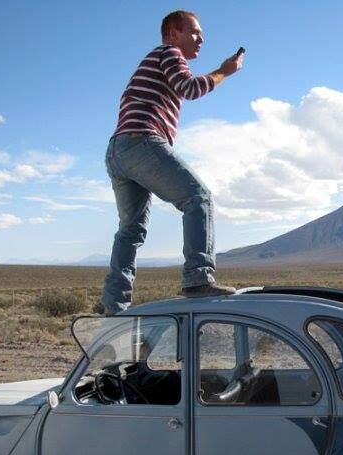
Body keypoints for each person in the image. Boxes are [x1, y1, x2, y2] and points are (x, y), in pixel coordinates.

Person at [101, 10, 244, 315]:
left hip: (119, 150)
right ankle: (198, 277)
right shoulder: (169, 53)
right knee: (198, 197)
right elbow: (189, 88)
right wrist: (224, 72)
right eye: (194, 32)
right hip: (141, 141)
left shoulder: (156, 59)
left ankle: (115, 308)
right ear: (172, 33)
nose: (201, 39)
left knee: (130, 230)